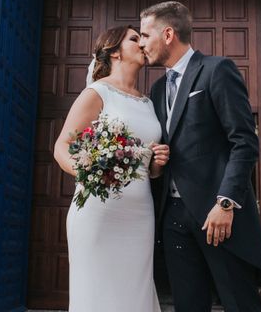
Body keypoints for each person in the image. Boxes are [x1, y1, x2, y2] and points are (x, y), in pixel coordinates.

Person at [139, 1, 261, 312]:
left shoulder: (216, 70)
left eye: (146, 35)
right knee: (187, 305)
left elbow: (244, 142)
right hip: (173, 216)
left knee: (240, 302)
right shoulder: (158, 89)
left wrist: (225, 202)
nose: (142, 43)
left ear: (168, 34)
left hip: (217, 215)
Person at [54, 25, 170, 312]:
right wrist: (89, 174)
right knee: (97, 292)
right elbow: (61, 148)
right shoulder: (97, 92)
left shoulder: (148, 102)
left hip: (140, 213)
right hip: (99, 211)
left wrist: (156, 165)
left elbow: (148, 166)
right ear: (115, 51)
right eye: (135, 39)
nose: (142, 43)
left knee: (134, 290)